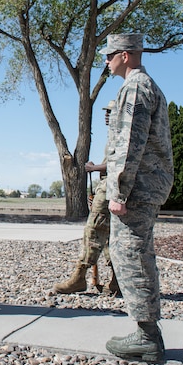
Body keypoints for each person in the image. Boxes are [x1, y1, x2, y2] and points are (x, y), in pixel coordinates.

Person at [101, 34, 174, 362]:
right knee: (135, 252)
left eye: (110, 55)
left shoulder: (135, 88)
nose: (106, 61)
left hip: (137, 188)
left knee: (130, 254)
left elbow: (130, 142)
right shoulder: (144, 86)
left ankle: (146, 336)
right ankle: (148, 332)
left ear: (126, 55)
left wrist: (119, 191)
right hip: (144, 185)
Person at [53, 100, 120, 296]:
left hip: (112, 188)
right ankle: (116, 279)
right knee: (107, 235)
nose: (106, 115)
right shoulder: (114, 135)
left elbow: (121, 164)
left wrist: (94, 168)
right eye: (106, 112)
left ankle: (80, 276)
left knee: (93, 230)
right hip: (108, 187)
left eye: (111, 112)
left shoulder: (122, 135)